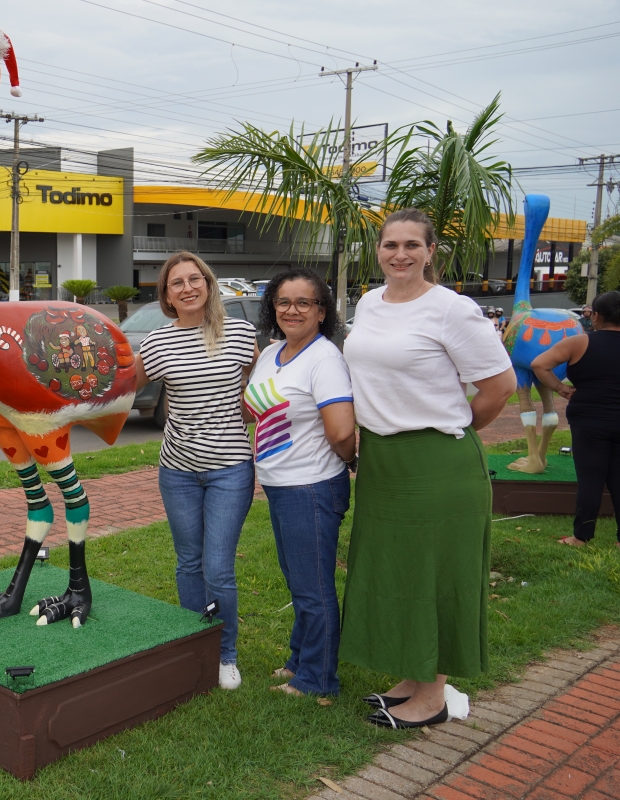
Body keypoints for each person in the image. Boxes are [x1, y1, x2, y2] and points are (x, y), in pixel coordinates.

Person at [341, 209, 516, 729]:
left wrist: (450, 428)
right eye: (390, 244)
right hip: (382, 463)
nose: (400, 254)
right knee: (397, 570)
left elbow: (500, 386)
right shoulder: (369, 303)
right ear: (378, 250)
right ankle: (412, 674)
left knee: (435, 573)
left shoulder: (452, 310)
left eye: (412, 245)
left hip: (437, 464)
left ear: (430, 251)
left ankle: (433, 696)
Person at [134, 251, 259, 691]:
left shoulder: (240, 333)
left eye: (194, 279)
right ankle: (194, 647)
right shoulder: (156, 343)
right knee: (188, 562)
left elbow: (262, 385)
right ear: (167, 296)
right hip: (178, 471)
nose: (187, 288)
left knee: (218, 567)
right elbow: (121, 387)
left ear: (208, 283)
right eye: (177, 283)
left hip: (230, 469)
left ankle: (225, 653)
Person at [245, 267, 355, 697]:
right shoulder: (273, 353)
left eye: (304, 302)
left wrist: (350, 460)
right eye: (283, 301)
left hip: (311, 487)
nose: (292, 310)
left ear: (321, 311)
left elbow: (342, 431)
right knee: (298, 580)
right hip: (280, 484)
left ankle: (318, 678)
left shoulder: (324, 359)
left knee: (312, 587)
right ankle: (299, 660)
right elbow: (255, 407)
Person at [532, 291, 620, 548]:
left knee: (590, 478)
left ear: (596, 315)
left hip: (589, 419)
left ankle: (581, 537)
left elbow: (539, 364)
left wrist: (560, 388)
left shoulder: (579, 342)